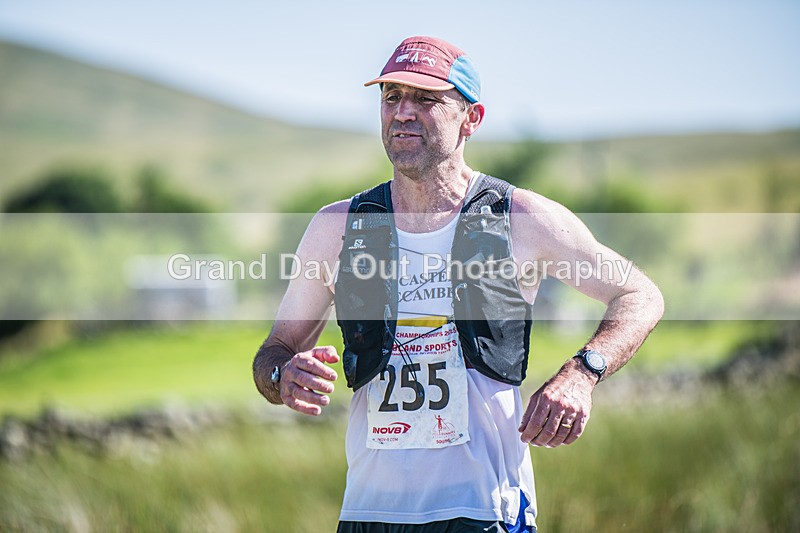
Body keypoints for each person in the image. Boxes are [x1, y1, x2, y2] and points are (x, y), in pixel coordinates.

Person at [253, 36, 664, 532]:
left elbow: (640, 294)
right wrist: (283, 377)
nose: (402, 112)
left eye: (425, 99)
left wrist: (582, 373)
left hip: (484, 511)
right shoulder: (338, 226)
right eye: (391, 97)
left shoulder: (520, 218)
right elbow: (275, 350)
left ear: (472, 117)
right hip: (368, 513)